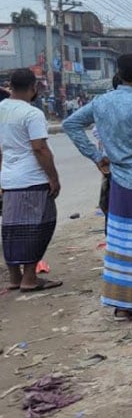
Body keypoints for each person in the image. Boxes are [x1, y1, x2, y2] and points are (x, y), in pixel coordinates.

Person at [64, 54, 132, 319]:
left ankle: (123, 303)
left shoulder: (101, 101)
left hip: (118, 181)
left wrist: (97, 156)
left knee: (122, 242)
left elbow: (71, 124)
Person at [0, 69, 61, 292]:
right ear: (33, 87)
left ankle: (15, 277)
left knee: (11, 229)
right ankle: (29, 278)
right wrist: (53, 178)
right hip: (32, 178)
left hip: (9, 179)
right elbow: (39, 148)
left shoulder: (1, 108)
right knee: (38, 227)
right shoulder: (32, 113)